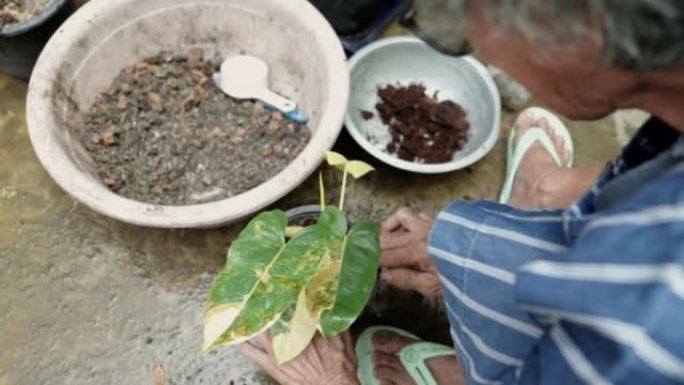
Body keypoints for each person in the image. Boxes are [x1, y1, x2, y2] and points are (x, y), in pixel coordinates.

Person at [240, 0, 684, 384]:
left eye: (468, 34)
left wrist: (334, 380)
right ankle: (543, 194)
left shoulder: (645, 329)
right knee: (486, 235)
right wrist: (471, 253)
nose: (487, 56)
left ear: (583, 41)